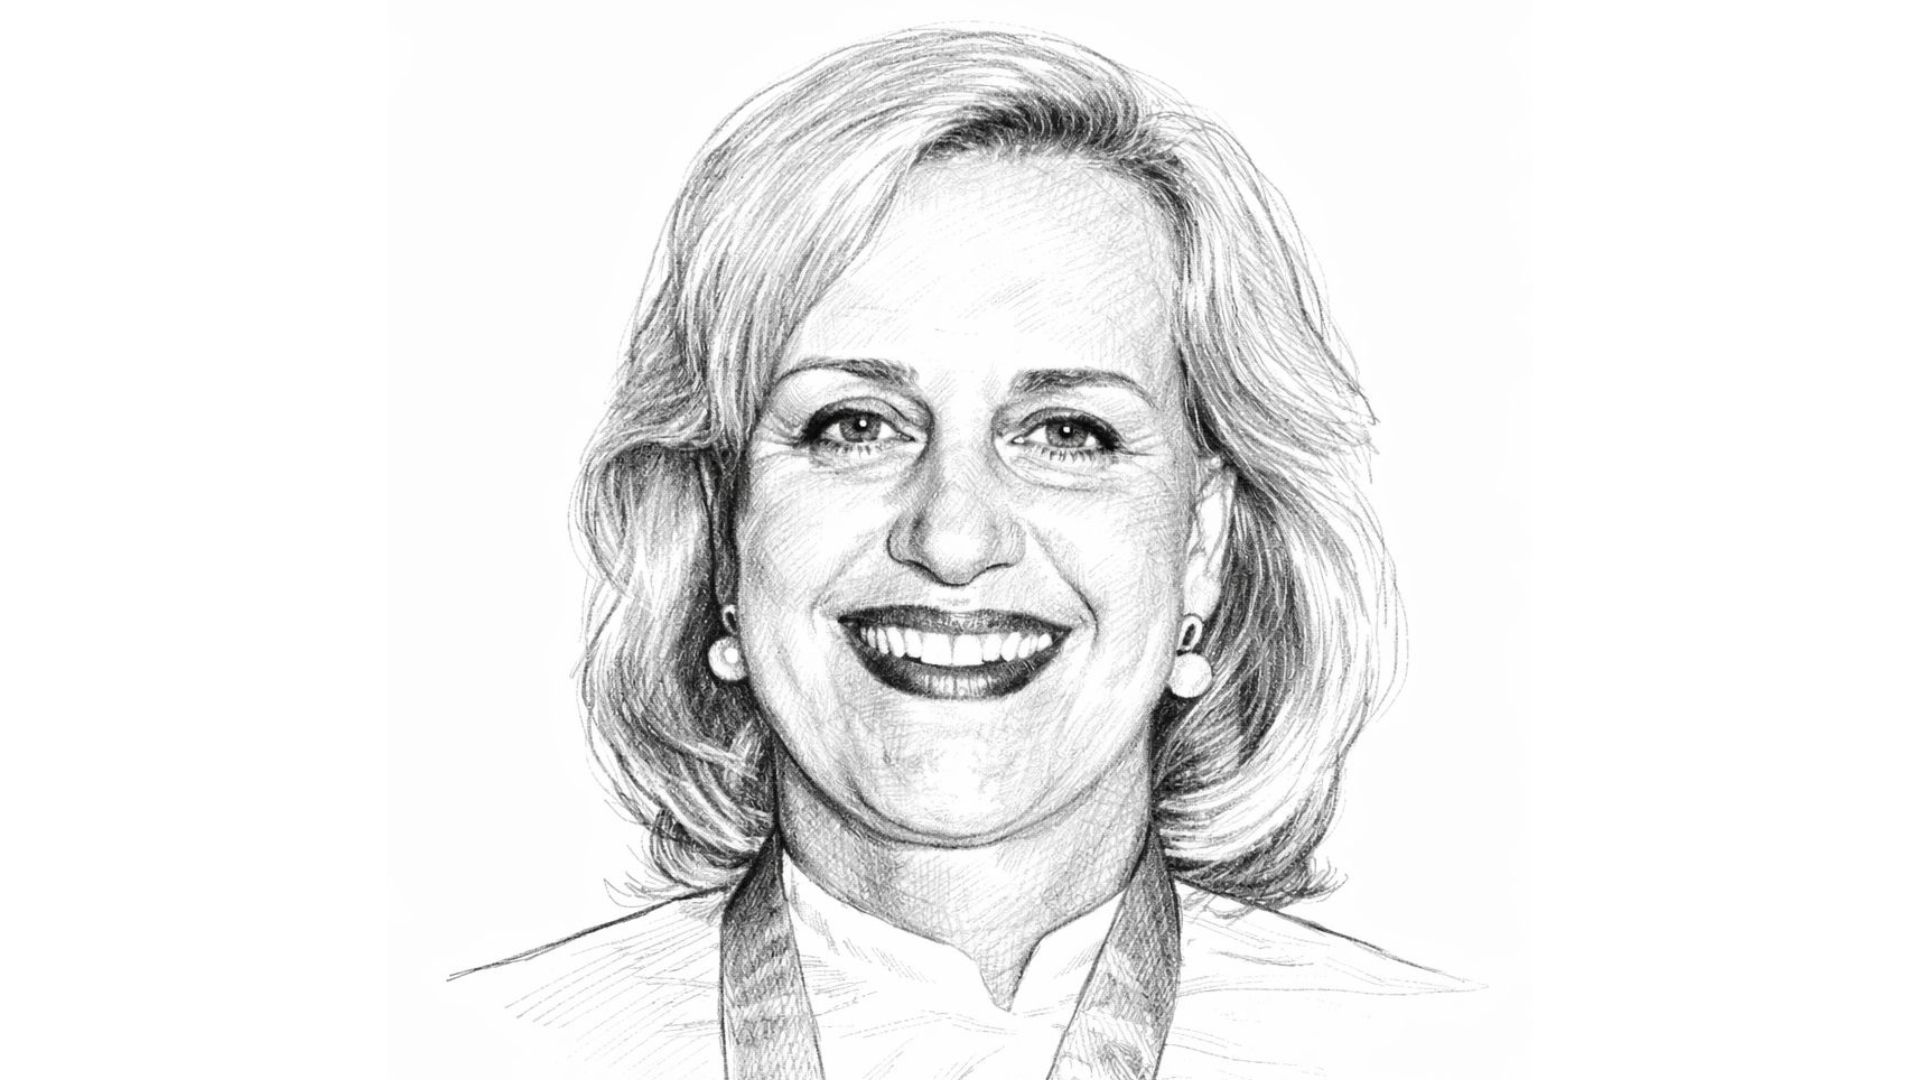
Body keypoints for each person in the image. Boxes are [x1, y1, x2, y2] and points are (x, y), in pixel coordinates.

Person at [452, 26, 1476, 1079]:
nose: (951, 538)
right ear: (721, 529)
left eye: (1068, 433)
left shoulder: (1429, 1047)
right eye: (855, 425)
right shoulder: (495, 1043)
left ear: (1202, 544)